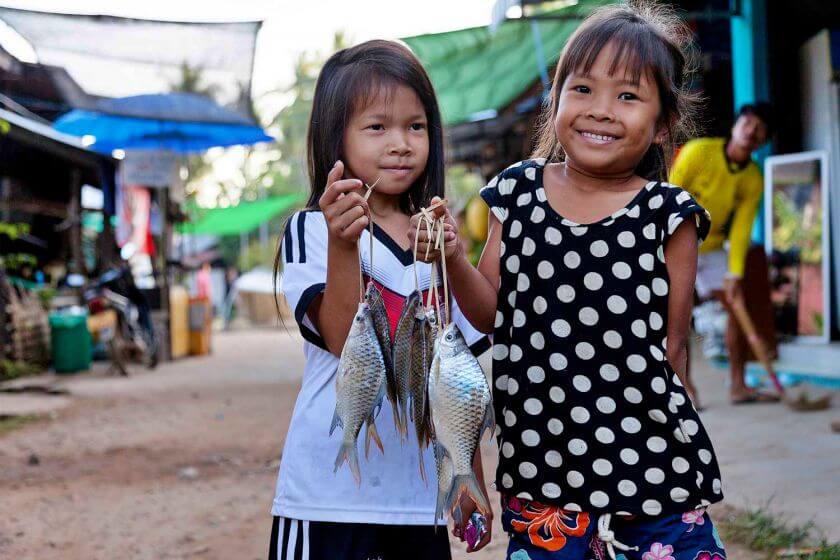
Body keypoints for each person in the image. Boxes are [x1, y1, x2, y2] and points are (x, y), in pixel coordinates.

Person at [412, 3, 727, 559]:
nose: (601, 111)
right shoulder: (518, 193)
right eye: (581, 89)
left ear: (662, 125)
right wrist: (456, 257)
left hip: (651, 461)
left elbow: (675, 348)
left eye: (628, 96)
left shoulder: (669, 214)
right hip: (542, 465)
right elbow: (489, 315)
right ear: (554, 102)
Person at [269, 40, 491, 560]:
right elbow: (344, 340)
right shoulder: (313, 230)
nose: (401, 144)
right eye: (377, 127)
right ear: (335, 138)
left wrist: (468, 477)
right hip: (326, 501)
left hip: (420, 504)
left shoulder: (436, 239)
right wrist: (345, 246)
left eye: (416, 127)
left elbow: (457, 377)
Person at [670, 103, 775, 406]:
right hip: (678, 241)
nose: (752, 131)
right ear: (735, 125)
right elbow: (669, 195)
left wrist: (735, 273)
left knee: (736, 305)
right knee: (678, 314)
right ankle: (685, 389)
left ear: (763, 141)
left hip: (713, 244)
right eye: (748, 122)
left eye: (760, 129)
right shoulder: (699, 151)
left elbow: (741, 229)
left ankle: (738, 385)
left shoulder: (753, 178)